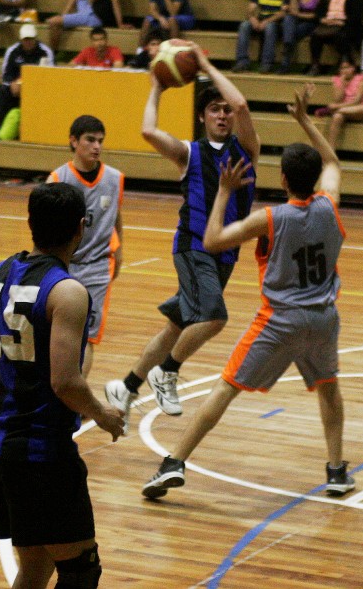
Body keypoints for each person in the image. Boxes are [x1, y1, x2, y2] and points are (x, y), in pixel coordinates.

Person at [141, 83, 354, 500]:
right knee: (329, 389)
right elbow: (332, 161)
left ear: (282, 179)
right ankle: (336, 471)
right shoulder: (330, 204)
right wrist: (305, 121)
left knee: (226, 387)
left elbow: (213, 240)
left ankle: (174, 463)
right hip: (324, 318)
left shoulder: (270, 218)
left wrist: (224, 192)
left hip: (280, 320)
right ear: (315, 179)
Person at [0, 182, 125, 588]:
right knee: (81, 570)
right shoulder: (68, 291)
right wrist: (103, 414)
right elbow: (65, 382)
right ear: (81, 227)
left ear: (31, 223)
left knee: (36, 567)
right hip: (41, 456)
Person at [104, 42, 260, 433]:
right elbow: (147, 130)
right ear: (203, 117)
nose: (223, 114)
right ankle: (167, 371)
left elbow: (242, 105)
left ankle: (126, 387)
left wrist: (206, 65)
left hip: (226, 253)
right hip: (193, 248)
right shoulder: (189, 153)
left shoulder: (247, 150)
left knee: (176, 327)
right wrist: (157, 87)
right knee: (214, 317)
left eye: (225, 110)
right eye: (214, 110)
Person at [46, 117, 125, 378]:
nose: (97, 146)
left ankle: (74, 392)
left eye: (100, 141)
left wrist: (119, 250)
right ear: (73, 141)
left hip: (98, 266)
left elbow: (116, 216)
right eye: (90, 140)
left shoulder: (114, 179)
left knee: (86, 337)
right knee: (56, 333)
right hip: (62, 266)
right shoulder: (58, 178)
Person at [233, 0, 290, 74]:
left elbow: (283, 13)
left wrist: (267, 21)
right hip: (261, 19)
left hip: (276, 22)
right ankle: (242, 62)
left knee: (270, 27)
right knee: (244, 25)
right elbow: (250, 8)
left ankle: (267, 64)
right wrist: (252, 18)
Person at [0, 24, 55, 129]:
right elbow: (6, 74)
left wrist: (28, 85)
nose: (28, 42)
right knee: (2, 91)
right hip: (16, 87)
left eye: (31, 39)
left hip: (38, 87)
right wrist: (12, 83)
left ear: (35, 38)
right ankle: (2, 127)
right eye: (25, 39)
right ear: (21, 39)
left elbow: (50, 75)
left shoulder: (45, 52)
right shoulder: (12, 51)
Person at [308, 0, 363, 77]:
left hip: (345, 25)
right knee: (315, 35)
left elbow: (356, 17)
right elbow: (318, 11)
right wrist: (322, 19)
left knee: (341, 36)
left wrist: (341, 22)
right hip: (328, 24)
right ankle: (315, 65)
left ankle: (345, 65)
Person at [315, 57, 363, 150]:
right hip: (343, 111)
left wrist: (337, 107)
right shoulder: (337, 80)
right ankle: (331, 150)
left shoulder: (361, 79)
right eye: (342, 68)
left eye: (347, 67)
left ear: (353, 68)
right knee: (337, 116)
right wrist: (342, 85)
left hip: (357, 109)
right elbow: (337, 99)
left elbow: (357, 101)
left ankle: (329, 111)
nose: (345, 71)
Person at [280, 0, 324, 75]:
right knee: (288, 18)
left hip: (313, 22)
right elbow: (293, 13)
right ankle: (288, 44)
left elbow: (316, 16)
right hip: (298, 21)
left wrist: (296, 13)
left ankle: (286, 59)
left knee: (291, 31)